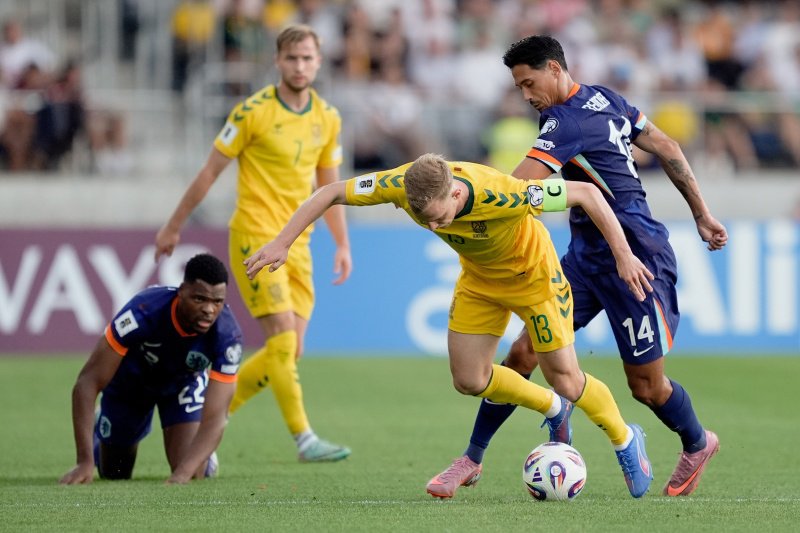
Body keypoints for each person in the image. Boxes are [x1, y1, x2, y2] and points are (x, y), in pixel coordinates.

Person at [243, 153, 656, 499]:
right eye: (427, 221)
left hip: (536, 282)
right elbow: (331, 192)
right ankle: (551, 407)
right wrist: (284, 241)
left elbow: (585, 194)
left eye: (441, 217)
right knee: (468, 379)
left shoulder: (503, 191)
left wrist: (622, 255)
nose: (437, 227)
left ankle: (624, 438)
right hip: (480, 282)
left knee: (565, 377)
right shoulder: (400, 185)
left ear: (456, 192)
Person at [429, 35, 727, 500]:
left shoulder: (562, 124)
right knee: (524, 353)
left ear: (553, 68)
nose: (526, 96)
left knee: (647, 388)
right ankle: (472, 456)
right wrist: (701, 214)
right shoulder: (603, 96)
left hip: (636, 257)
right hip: (585, 258)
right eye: (519, 88)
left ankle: (697, 442)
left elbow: (512, 190)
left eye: (529, 84)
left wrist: (460, 193)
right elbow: (665, 146)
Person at [155, 24, 352, 462]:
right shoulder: (252, 112)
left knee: (290, 352)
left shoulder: (327, 117)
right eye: (291, 58)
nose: (299, 66)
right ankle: (305, 439)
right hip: (255, 234)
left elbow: (330, 186)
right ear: (278, 62)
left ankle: (208, 420)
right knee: (282, 340)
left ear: (318, 63)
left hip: (298, 241)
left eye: (307, 58)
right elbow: (209, 172)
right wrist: (174, 226)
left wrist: (342, 243)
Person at [59, 253, 243, 485]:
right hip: (130, 385)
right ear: (182, 290)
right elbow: (87, 382)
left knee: (194, 471)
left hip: (182, 385)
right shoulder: (143, 311)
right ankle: (102, 430)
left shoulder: (228, 335)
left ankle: (203, 460)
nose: (209, 309)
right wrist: (84, 462)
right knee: (115, 473)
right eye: (199, 299)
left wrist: (181, 475)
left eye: (217, 302)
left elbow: (216, 417)